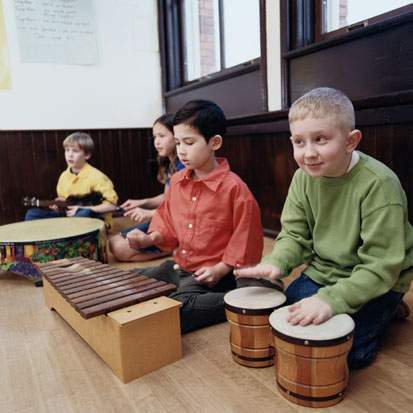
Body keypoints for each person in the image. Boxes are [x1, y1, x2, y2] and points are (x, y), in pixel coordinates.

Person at [235, 87, 413, 369]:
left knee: (345, 355)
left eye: (320, 140)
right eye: (299, 142)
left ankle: (387, 308)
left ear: (351, 141)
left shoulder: (380, 185)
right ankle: (374, 311)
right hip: (324, 271)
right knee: (285, 322)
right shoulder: (302, 178)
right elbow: (294, 235)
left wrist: (332, 301)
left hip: (379, 279)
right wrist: (277, 261)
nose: (308, 154)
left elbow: (382, 266)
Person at [127, 99, 264, 333]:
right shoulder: (178, 181)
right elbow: (167, 221)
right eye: (178, 142)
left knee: (176, 312)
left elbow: (246, 238)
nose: (181, 150)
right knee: (131, 281)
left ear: (215, 142)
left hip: (213, 275)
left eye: (189, 142)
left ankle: (245, 299)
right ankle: (187, 292)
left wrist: (220, 269)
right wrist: (149, 239)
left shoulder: (234, 189)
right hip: (181, 265)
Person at [109, 114, 184, 262]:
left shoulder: (184, 167)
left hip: (178, 225)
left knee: (120, 248)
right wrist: (141, 202)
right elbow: (166, 197)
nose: (157, 142)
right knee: (113, 242)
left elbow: (183, 209)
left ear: (177, 137)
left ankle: (175, 249)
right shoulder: (170, 165)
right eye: (155, 137)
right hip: (165, 220)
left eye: (162, 136)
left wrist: (149, 214)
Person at [25, 132, 118, 228]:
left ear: (87, 155)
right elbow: (66, 202)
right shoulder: (64, 176)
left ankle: (65, 231)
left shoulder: (97, 177)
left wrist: (82, 208)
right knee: (32, 214)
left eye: (75, 151)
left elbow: (112, 206)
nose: (70, 155)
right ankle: (62, 232)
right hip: (69, 216)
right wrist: (58, 205)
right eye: (67, 150)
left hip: (92, 217)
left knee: (84, 214)